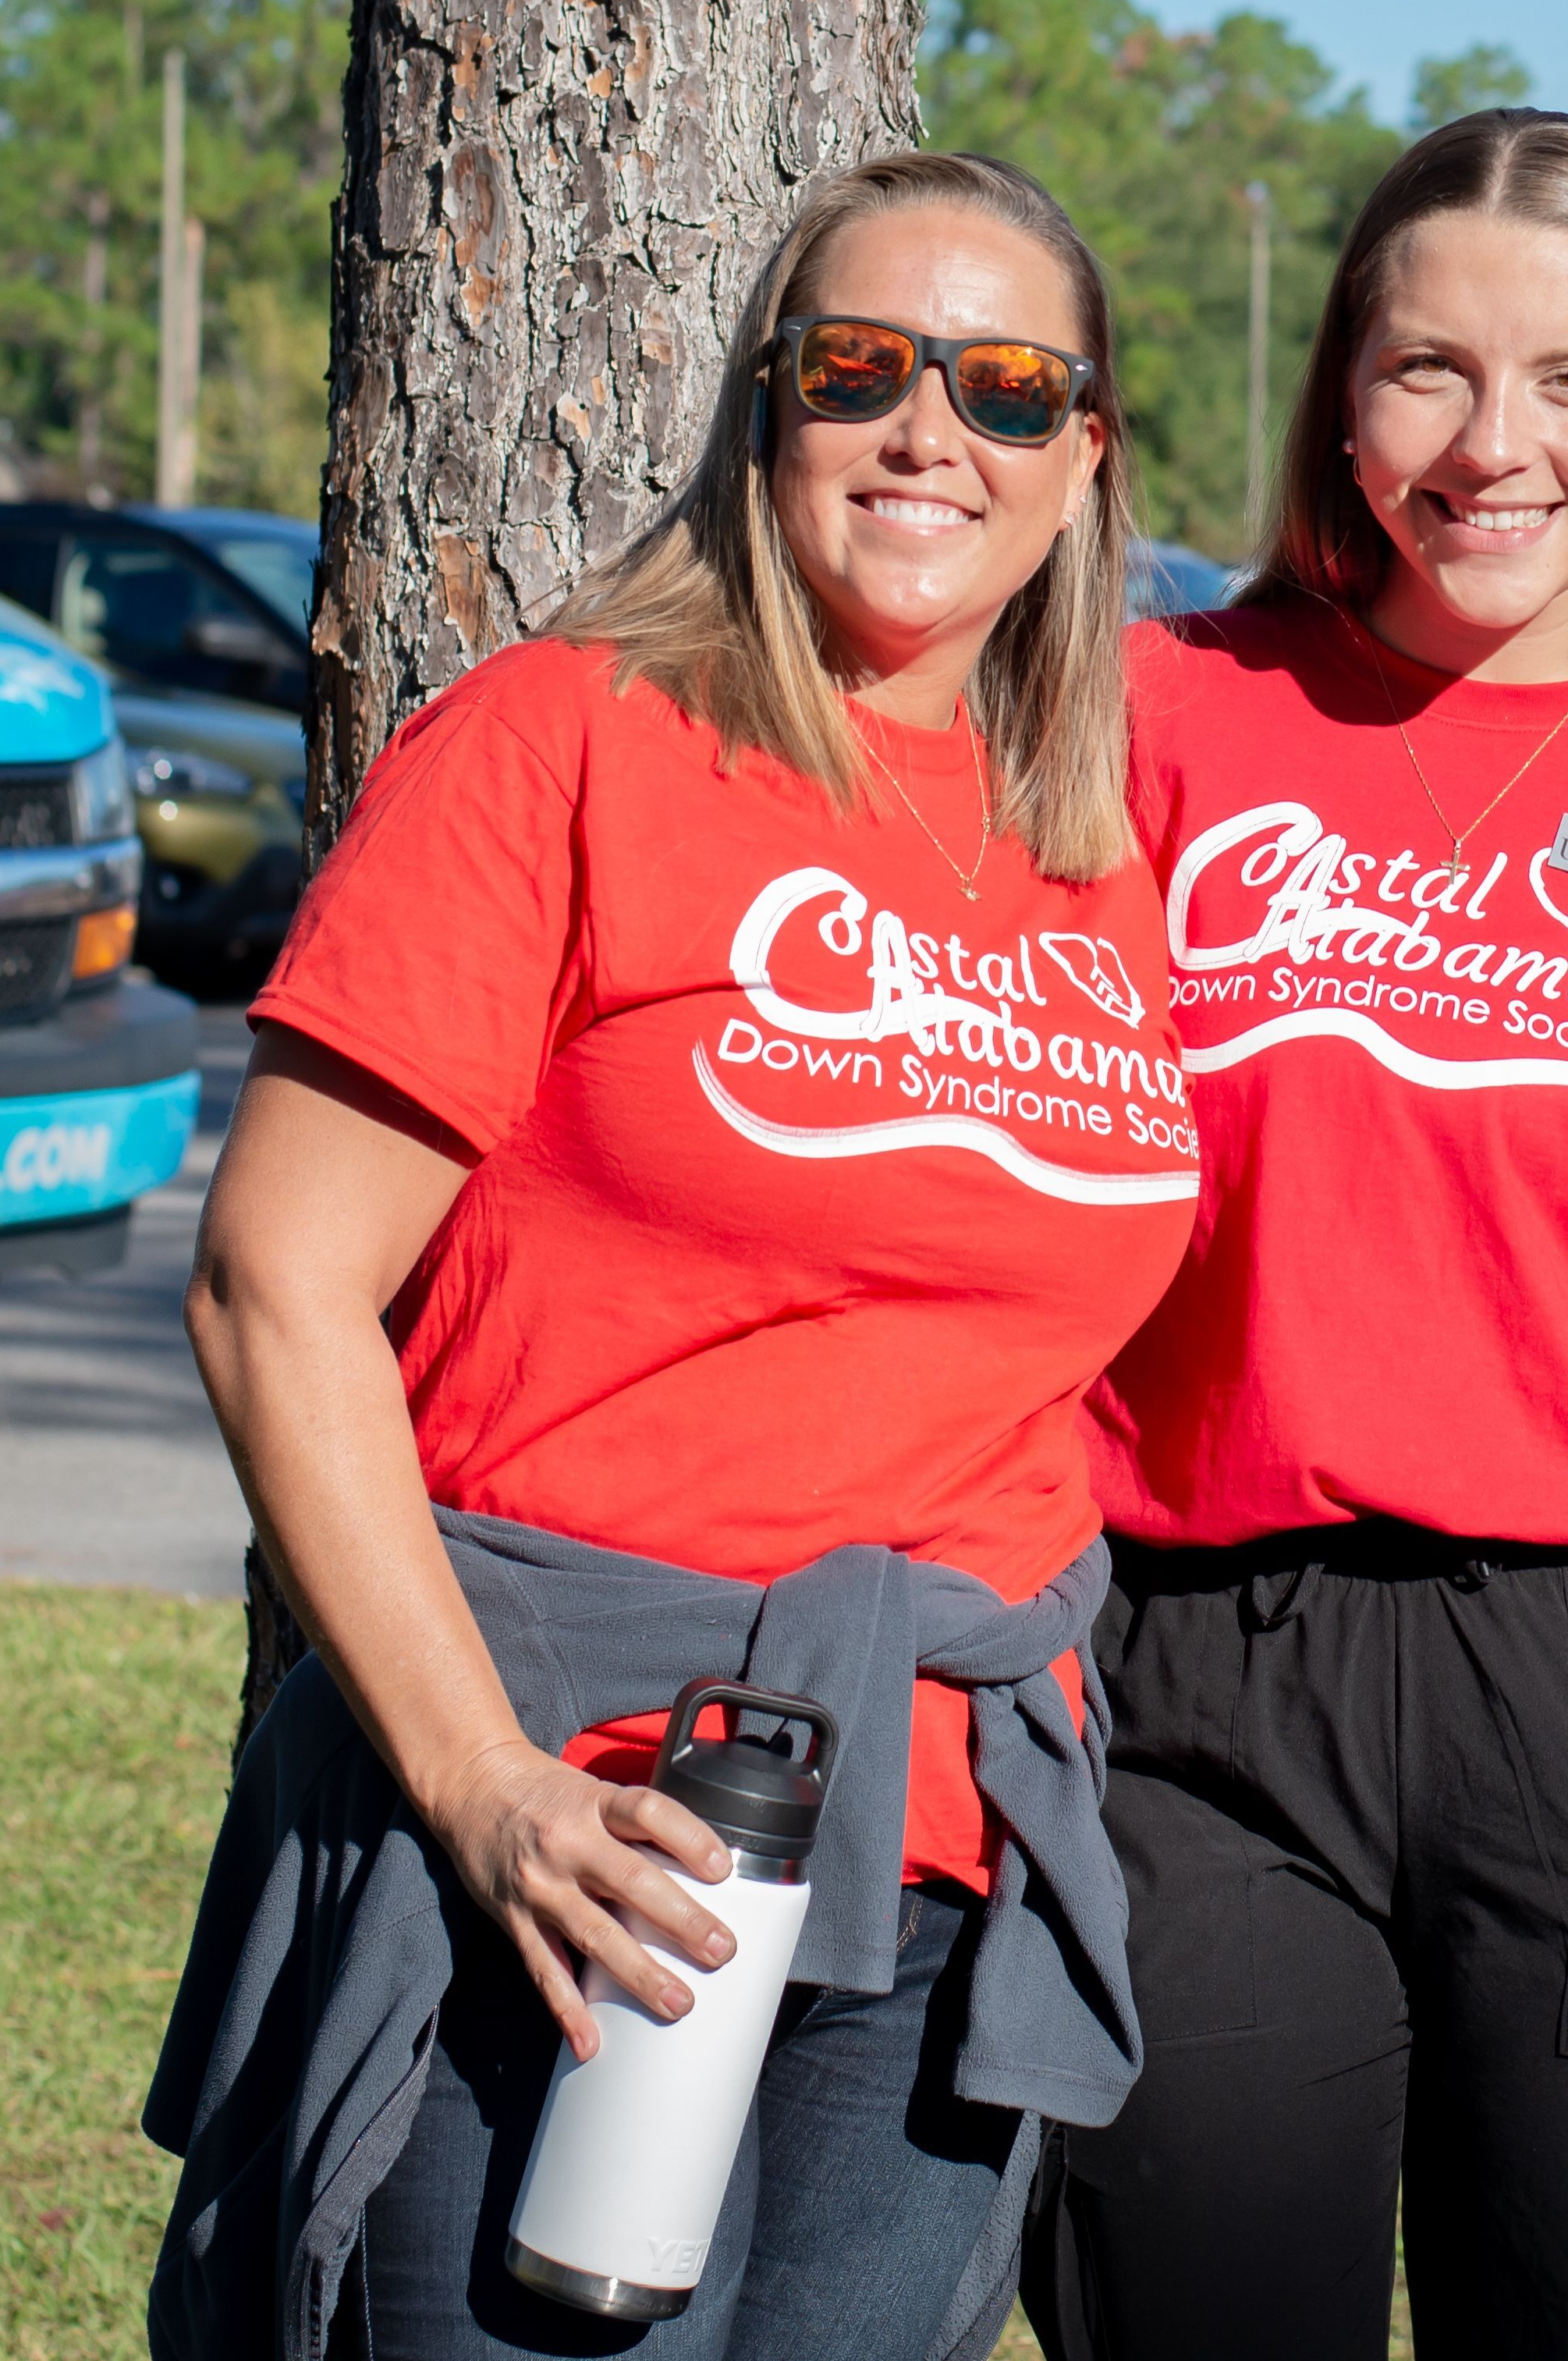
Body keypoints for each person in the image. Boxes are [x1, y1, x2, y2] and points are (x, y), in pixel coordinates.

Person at [144, 151, 1191, 2361]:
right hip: (580, 1842)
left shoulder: (1089, 851)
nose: (930, 433)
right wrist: (480, 1790)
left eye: (1006, 387)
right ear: (763, 412)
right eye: (859, 372)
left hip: (930, 1848)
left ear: (1083, 457)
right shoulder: (564, 743)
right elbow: (271, 1289)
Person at [1027, 111, 1568, 2361]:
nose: (1494, 446)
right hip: (1200, 1668)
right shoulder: (1159, 717)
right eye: (1425, 372)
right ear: (1334, 400)